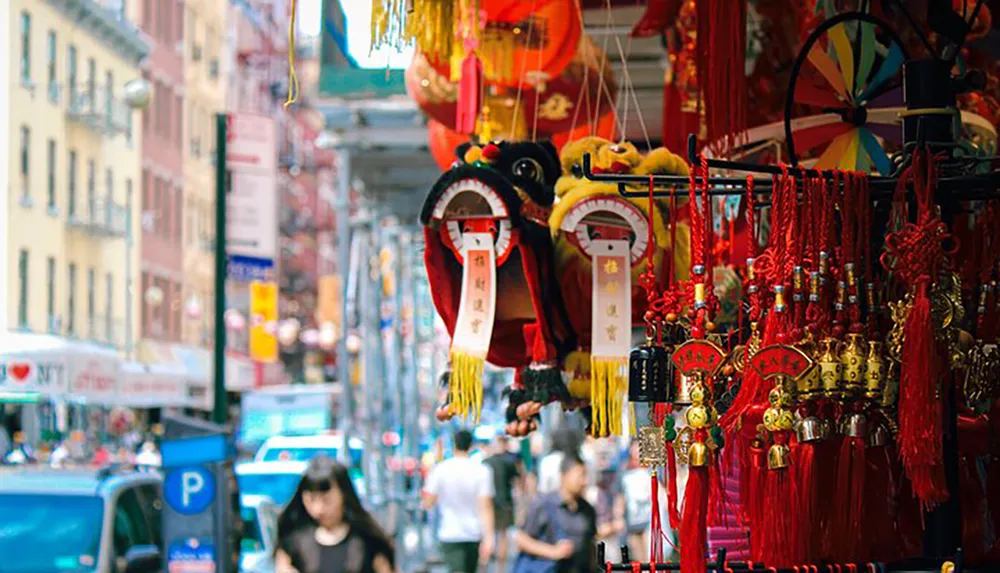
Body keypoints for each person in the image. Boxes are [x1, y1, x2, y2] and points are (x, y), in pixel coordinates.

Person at [275, 455, 395, 573]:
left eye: (327, 500)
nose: (318, 509)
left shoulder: (368, 542)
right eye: (311, 500)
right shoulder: (294, 542)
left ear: (344, 495)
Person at [423, 429, 495, 573]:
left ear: (454, 444)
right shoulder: (482, 470)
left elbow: (428, 502)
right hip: (474, 533)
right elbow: (485, 506)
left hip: (450, 533)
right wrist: (489, 538)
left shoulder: (441, 469)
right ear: (471, 445)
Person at [515, 453, 598, 572]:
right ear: (563, 476)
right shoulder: (544, 504)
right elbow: (521, 540)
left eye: (586, 476)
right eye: (580, 475)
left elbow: (591, 546)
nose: (584, 481)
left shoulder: (587, 509)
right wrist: (553, 552)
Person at [483, 434, 523, 572]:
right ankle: (501, 568)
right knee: (503, 536)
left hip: (488, 502)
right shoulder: (509, 461)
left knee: (487, 534)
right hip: (505, 502)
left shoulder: (486, 462)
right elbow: (518, 482)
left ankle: (484, 565)